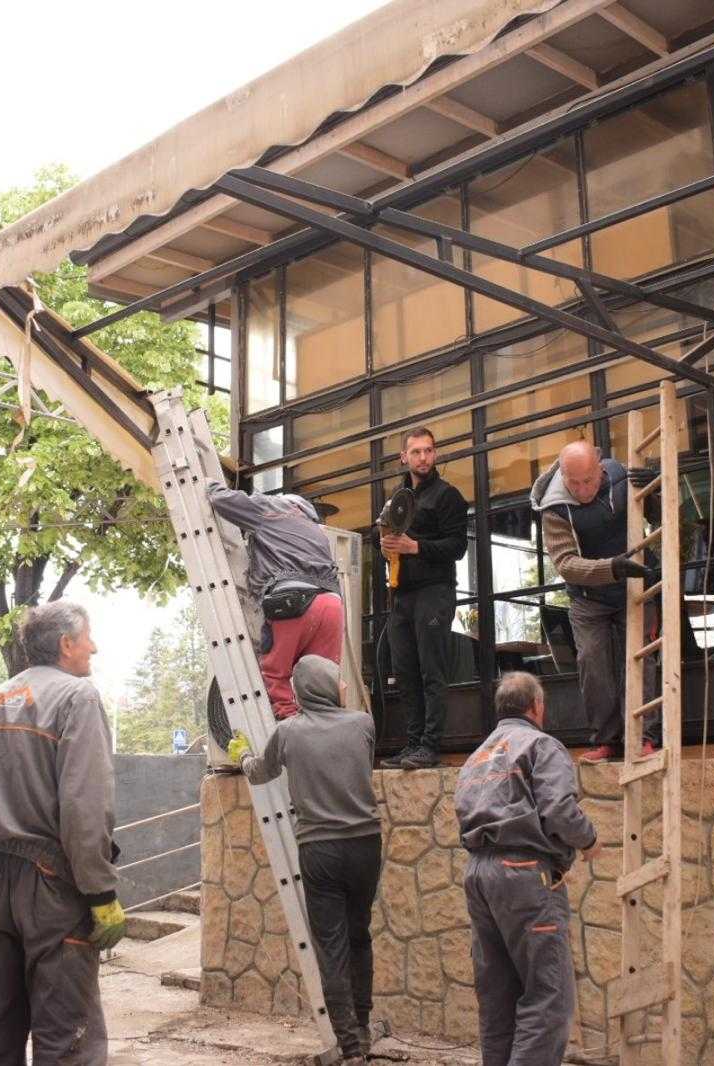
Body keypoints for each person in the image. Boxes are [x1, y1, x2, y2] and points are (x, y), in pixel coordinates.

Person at [0, 601, 125, 1066]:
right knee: (66, 1038)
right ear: (67, 644)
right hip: (51, 887)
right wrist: (100, 891)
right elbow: (85, 804)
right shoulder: (77, 698)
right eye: (88, 638)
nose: (94, 647)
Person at [228, 655, 380, 1066]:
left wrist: (242, 754)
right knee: (359, 935)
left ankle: (350, 1048)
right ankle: (364, 1029)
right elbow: (360, 769)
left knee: (332, 947)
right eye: (338, 680)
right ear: (326, 685)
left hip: (320, 849)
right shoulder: (363, 724)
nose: (344, 686)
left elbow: (258, 773)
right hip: (366, 845)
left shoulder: (288, 732)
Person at [454, 672, 600, 1066]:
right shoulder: (541, 745)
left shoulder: (476, 756)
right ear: (536, 707)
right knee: (548, 995)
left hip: (478, 873)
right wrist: (589, 840)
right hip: (523, 872)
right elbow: (559, 810)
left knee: (497, 995)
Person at [530, 440, 660, 764]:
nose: (582, 489)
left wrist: (655, 489)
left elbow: (661, 516)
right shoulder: (553, 507)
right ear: (563, 475)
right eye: (573, 482)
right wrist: (612, 568)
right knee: (591, 662)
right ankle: (605, 740)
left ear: (600, 467)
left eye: (588, 480)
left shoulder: (621, 476)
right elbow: (565, 564)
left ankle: (644, 737)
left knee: (640, 658)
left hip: (636, 584)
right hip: (588, 596)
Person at [207, 478, 344, 720]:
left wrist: (211, 485)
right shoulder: (315, 529)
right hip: (332, 604)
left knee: (275, 672)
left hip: (292, 601)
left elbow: (223, 500)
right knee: (323, 678)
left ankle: (287, 722)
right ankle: (327, 725)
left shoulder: (271, 508)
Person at [378, 427, 469, 771]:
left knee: (432, 671)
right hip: (401, 594)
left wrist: (414, 546)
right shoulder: (396, 498)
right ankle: (413, 744)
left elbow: (458, 546)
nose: (423, 457)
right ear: (404, 457)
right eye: (416, 452)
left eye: (428, 450)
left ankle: (430, 746)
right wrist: (386, 545)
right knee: (405, 672)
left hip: (435, 591)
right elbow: (386, 537)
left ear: (435, 453)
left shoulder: (448, 496)